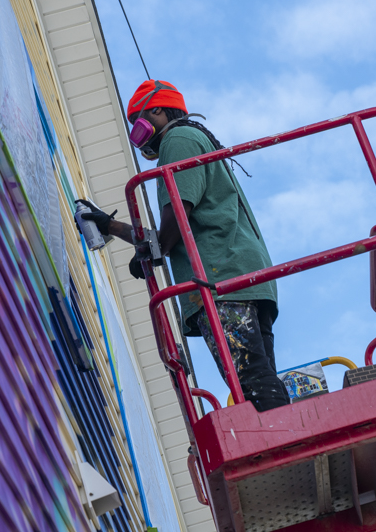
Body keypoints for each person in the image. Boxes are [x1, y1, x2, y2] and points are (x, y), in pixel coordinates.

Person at [78, 80, 290, 412]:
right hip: (242, 273)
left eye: (138, 120)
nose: (137, 131)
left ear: (157, 110)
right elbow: (175, 230)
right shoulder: (193, 139)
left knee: (250, 380)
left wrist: (151, 247)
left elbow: (175, 220)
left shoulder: (177, 140)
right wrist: (113, 228)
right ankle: (282, 422)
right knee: (257, 378)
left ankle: (278, 429)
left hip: (219, 277)